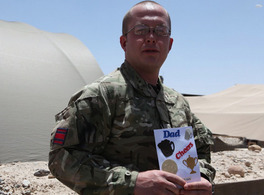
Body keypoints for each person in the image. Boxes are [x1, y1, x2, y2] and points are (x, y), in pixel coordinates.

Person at [48, 1, 216, 195]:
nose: (151, 38)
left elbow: (201, 148)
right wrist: (132, 182)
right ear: (123, 42)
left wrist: (201, 178)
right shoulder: (101, 96)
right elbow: (61, 159)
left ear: (169, 44)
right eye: (141, 30)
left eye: (160, 31)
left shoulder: (177, 102)